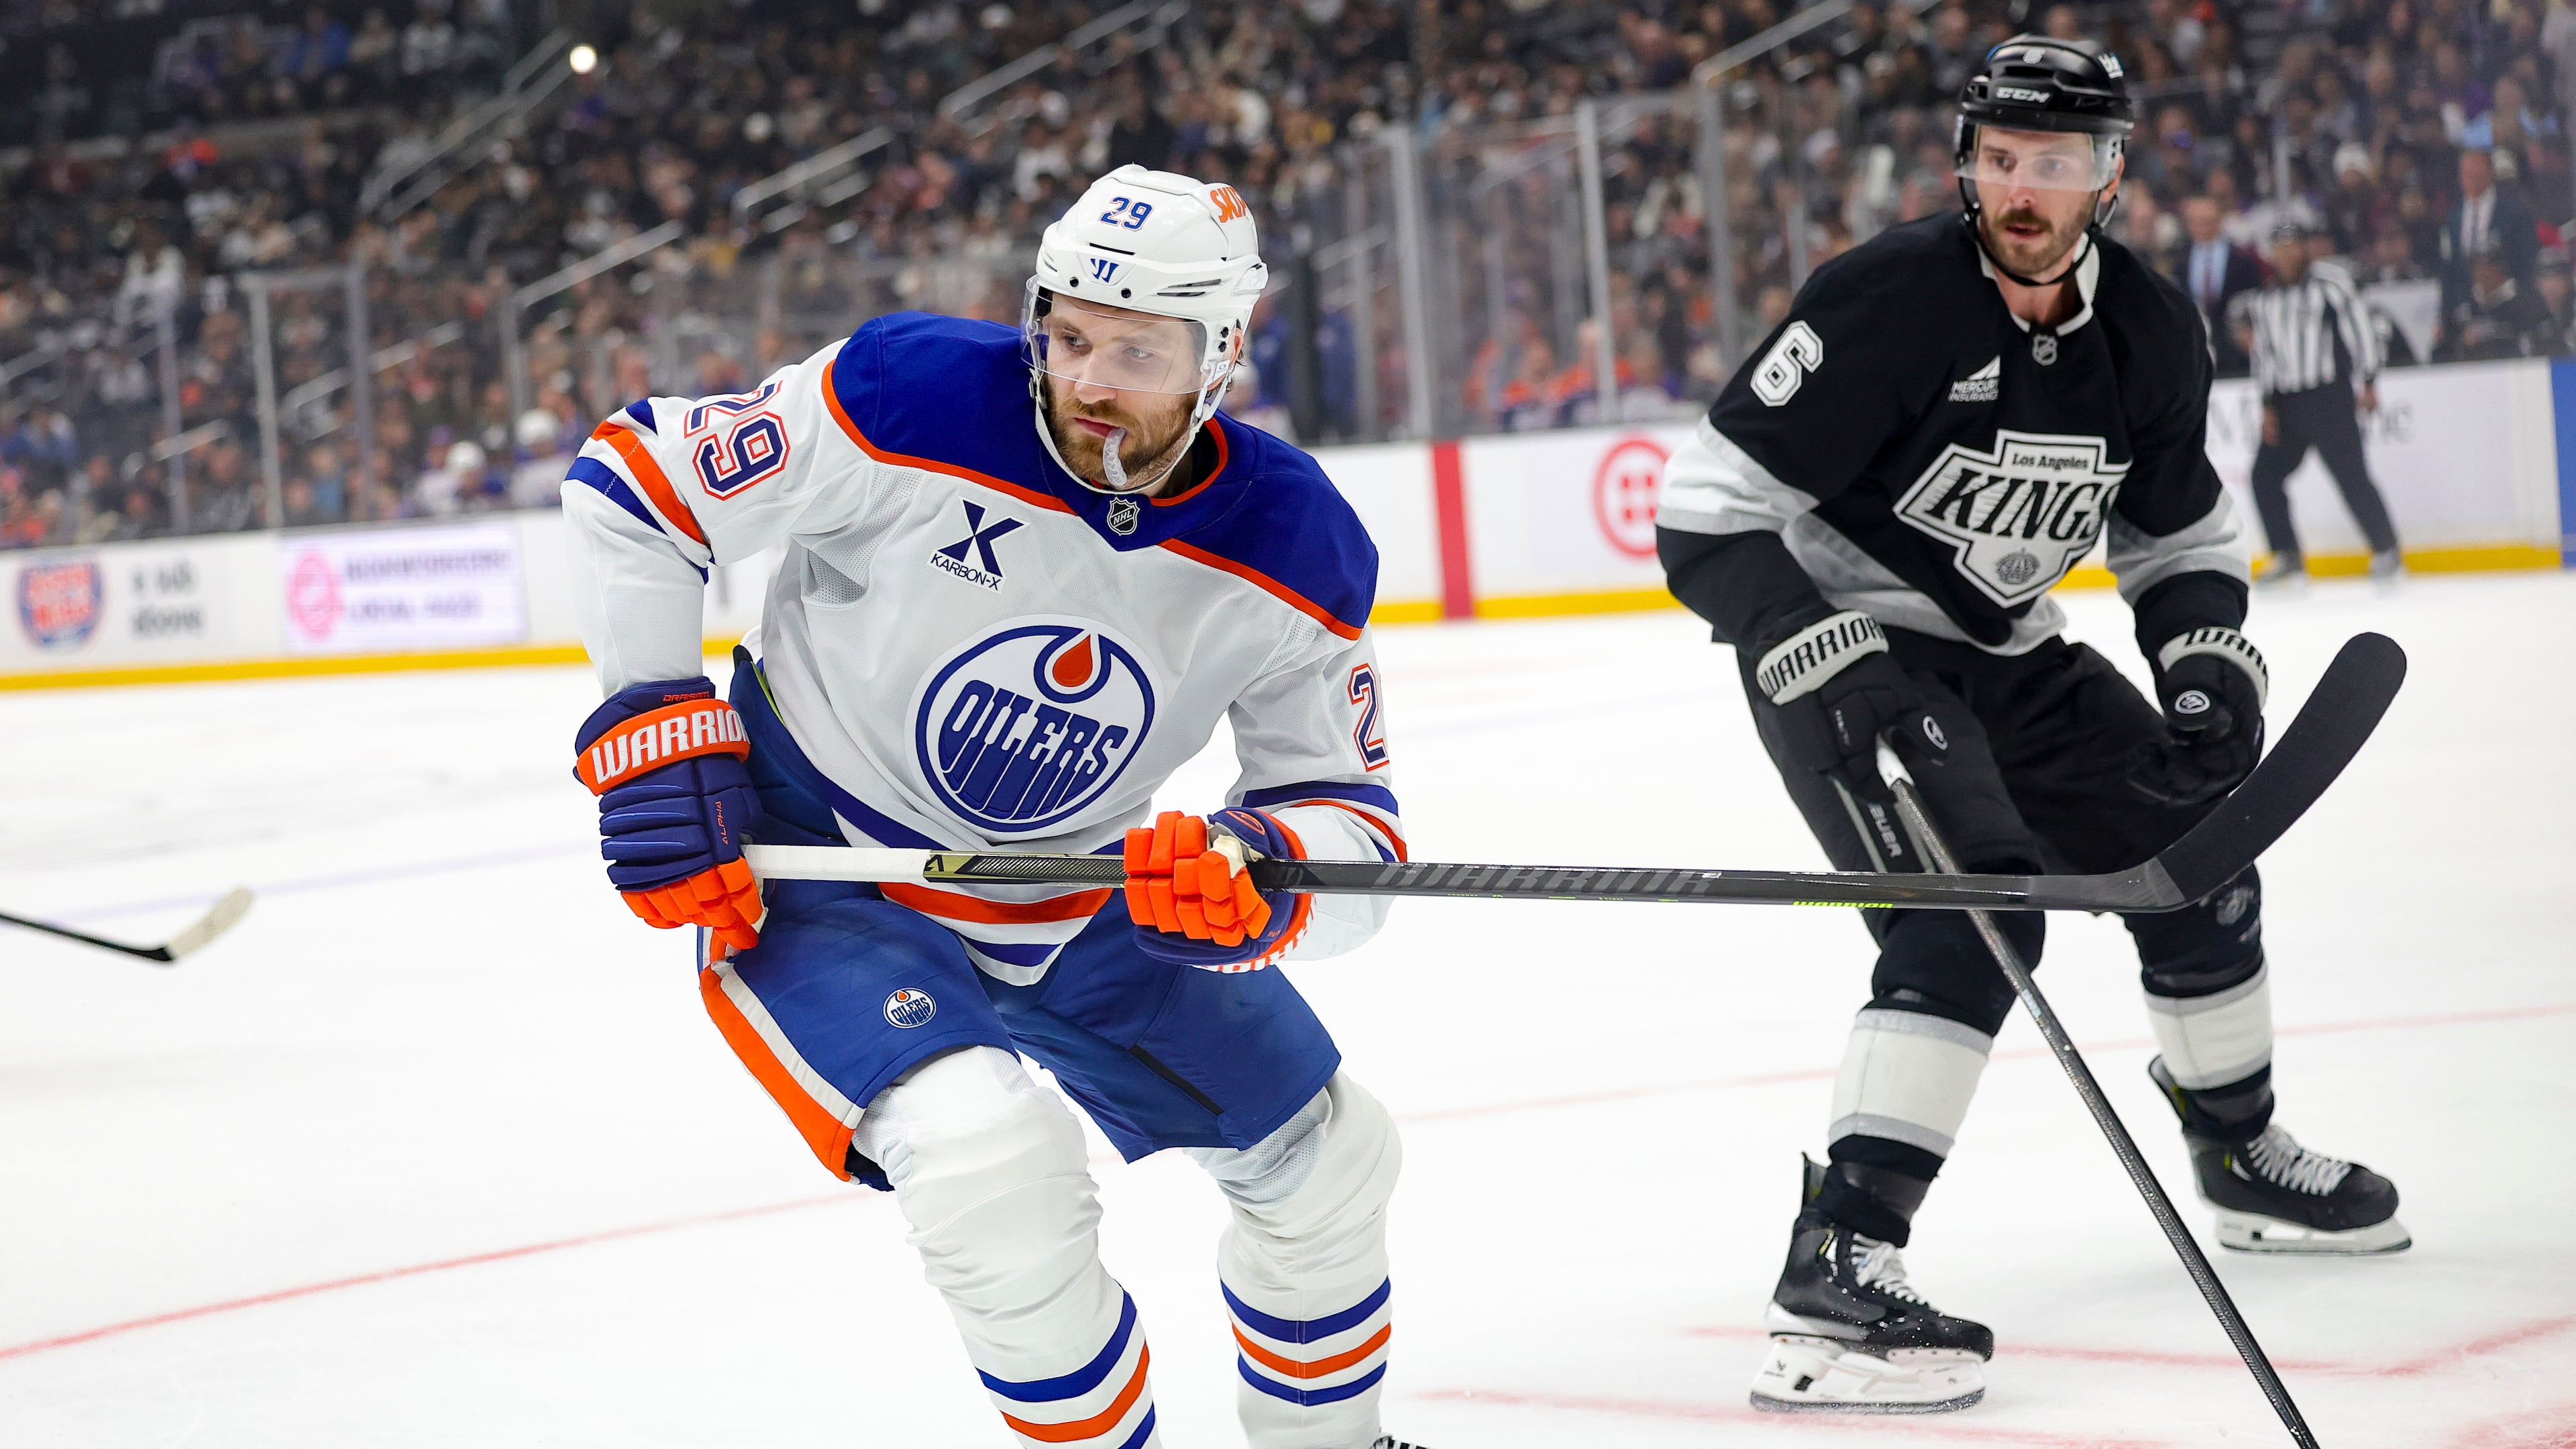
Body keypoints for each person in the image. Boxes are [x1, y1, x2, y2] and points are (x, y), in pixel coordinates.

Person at [559, 166, 1424, 1449]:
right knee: (988, 1160)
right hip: (826, 874)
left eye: (1138, 350)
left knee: (1330, 1156)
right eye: (1070, 334)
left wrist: (1264, 866)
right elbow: (637, 485)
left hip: (1083, 888)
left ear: (1222, 351)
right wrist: (652, 725)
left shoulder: (1295, 539)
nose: (1087, 379)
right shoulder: (906, 396)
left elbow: (1353, 828)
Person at [1654, 37, 2409, 1415]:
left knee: (2200, 858)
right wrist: (1812, 648)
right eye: (2003, 158)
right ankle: (1838, 1268)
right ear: (1967, 160)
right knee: (1971, 913)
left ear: (2108, 175)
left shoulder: (2150, 331)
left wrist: (2206, 667)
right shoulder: (1884, 303)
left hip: (2011, 653)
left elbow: (2178, 536)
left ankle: (2239, 1155)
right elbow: (1705, 517)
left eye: (2055, 163)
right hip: (1850, 655)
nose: (2023, 186)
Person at [2228, 218, 2402, 582]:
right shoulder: (2267, 298)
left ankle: (2386, 549)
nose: (2286, 254)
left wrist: (2368, 381)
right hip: (2287, 403)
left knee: (2351, 475)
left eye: (2293, 245)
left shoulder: (2330, 285)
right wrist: (2267, 406)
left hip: (2328, 398)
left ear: (2305, 247)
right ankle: (2287, 555)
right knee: (2264, 477)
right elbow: (2266, 357)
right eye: (2279, 247)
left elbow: (2360, 329)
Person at [2437, 148, 2538, 317]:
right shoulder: (2454, 217)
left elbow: (2527, 261)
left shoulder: (2515, 213)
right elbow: (2449, 266)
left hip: (2509, 307)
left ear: (2491, 173)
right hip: (2467, 309)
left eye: (2479, 175)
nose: (2474, 181)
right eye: (2469, 175)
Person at [2176, 193, 2264, 375]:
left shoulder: (2243, 261)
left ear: (2220, 220)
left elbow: (2255, 299)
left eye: (2209, 221)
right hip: (2194, 354)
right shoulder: (2179, 263)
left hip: (2237, 356)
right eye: (2198, 222)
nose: (2204, 228)